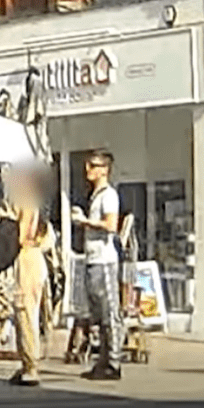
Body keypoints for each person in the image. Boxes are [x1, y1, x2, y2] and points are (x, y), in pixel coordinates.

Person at [72, 150, 124, 381]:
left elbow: (111, 225)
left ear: (104, 169)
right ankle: (102, 360)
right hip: (93, 258)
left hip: (105, 259)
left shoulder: (108, 195)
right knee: (98, 313)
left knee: (110, 311)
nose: (88, 170)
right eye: (87, 166)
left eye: (93, 166)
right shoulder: (95, 195)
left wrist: (85, 221)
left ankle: (113, 361)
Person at [8, 164, 50, 386]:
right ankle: (27, 363)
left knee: (25, 312)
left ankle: (31, 366)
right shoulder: (35, 203)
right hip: (34, 258)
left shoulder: (26, 203)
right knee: (27, 312)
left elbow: (23, 236)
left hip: (28, 258)